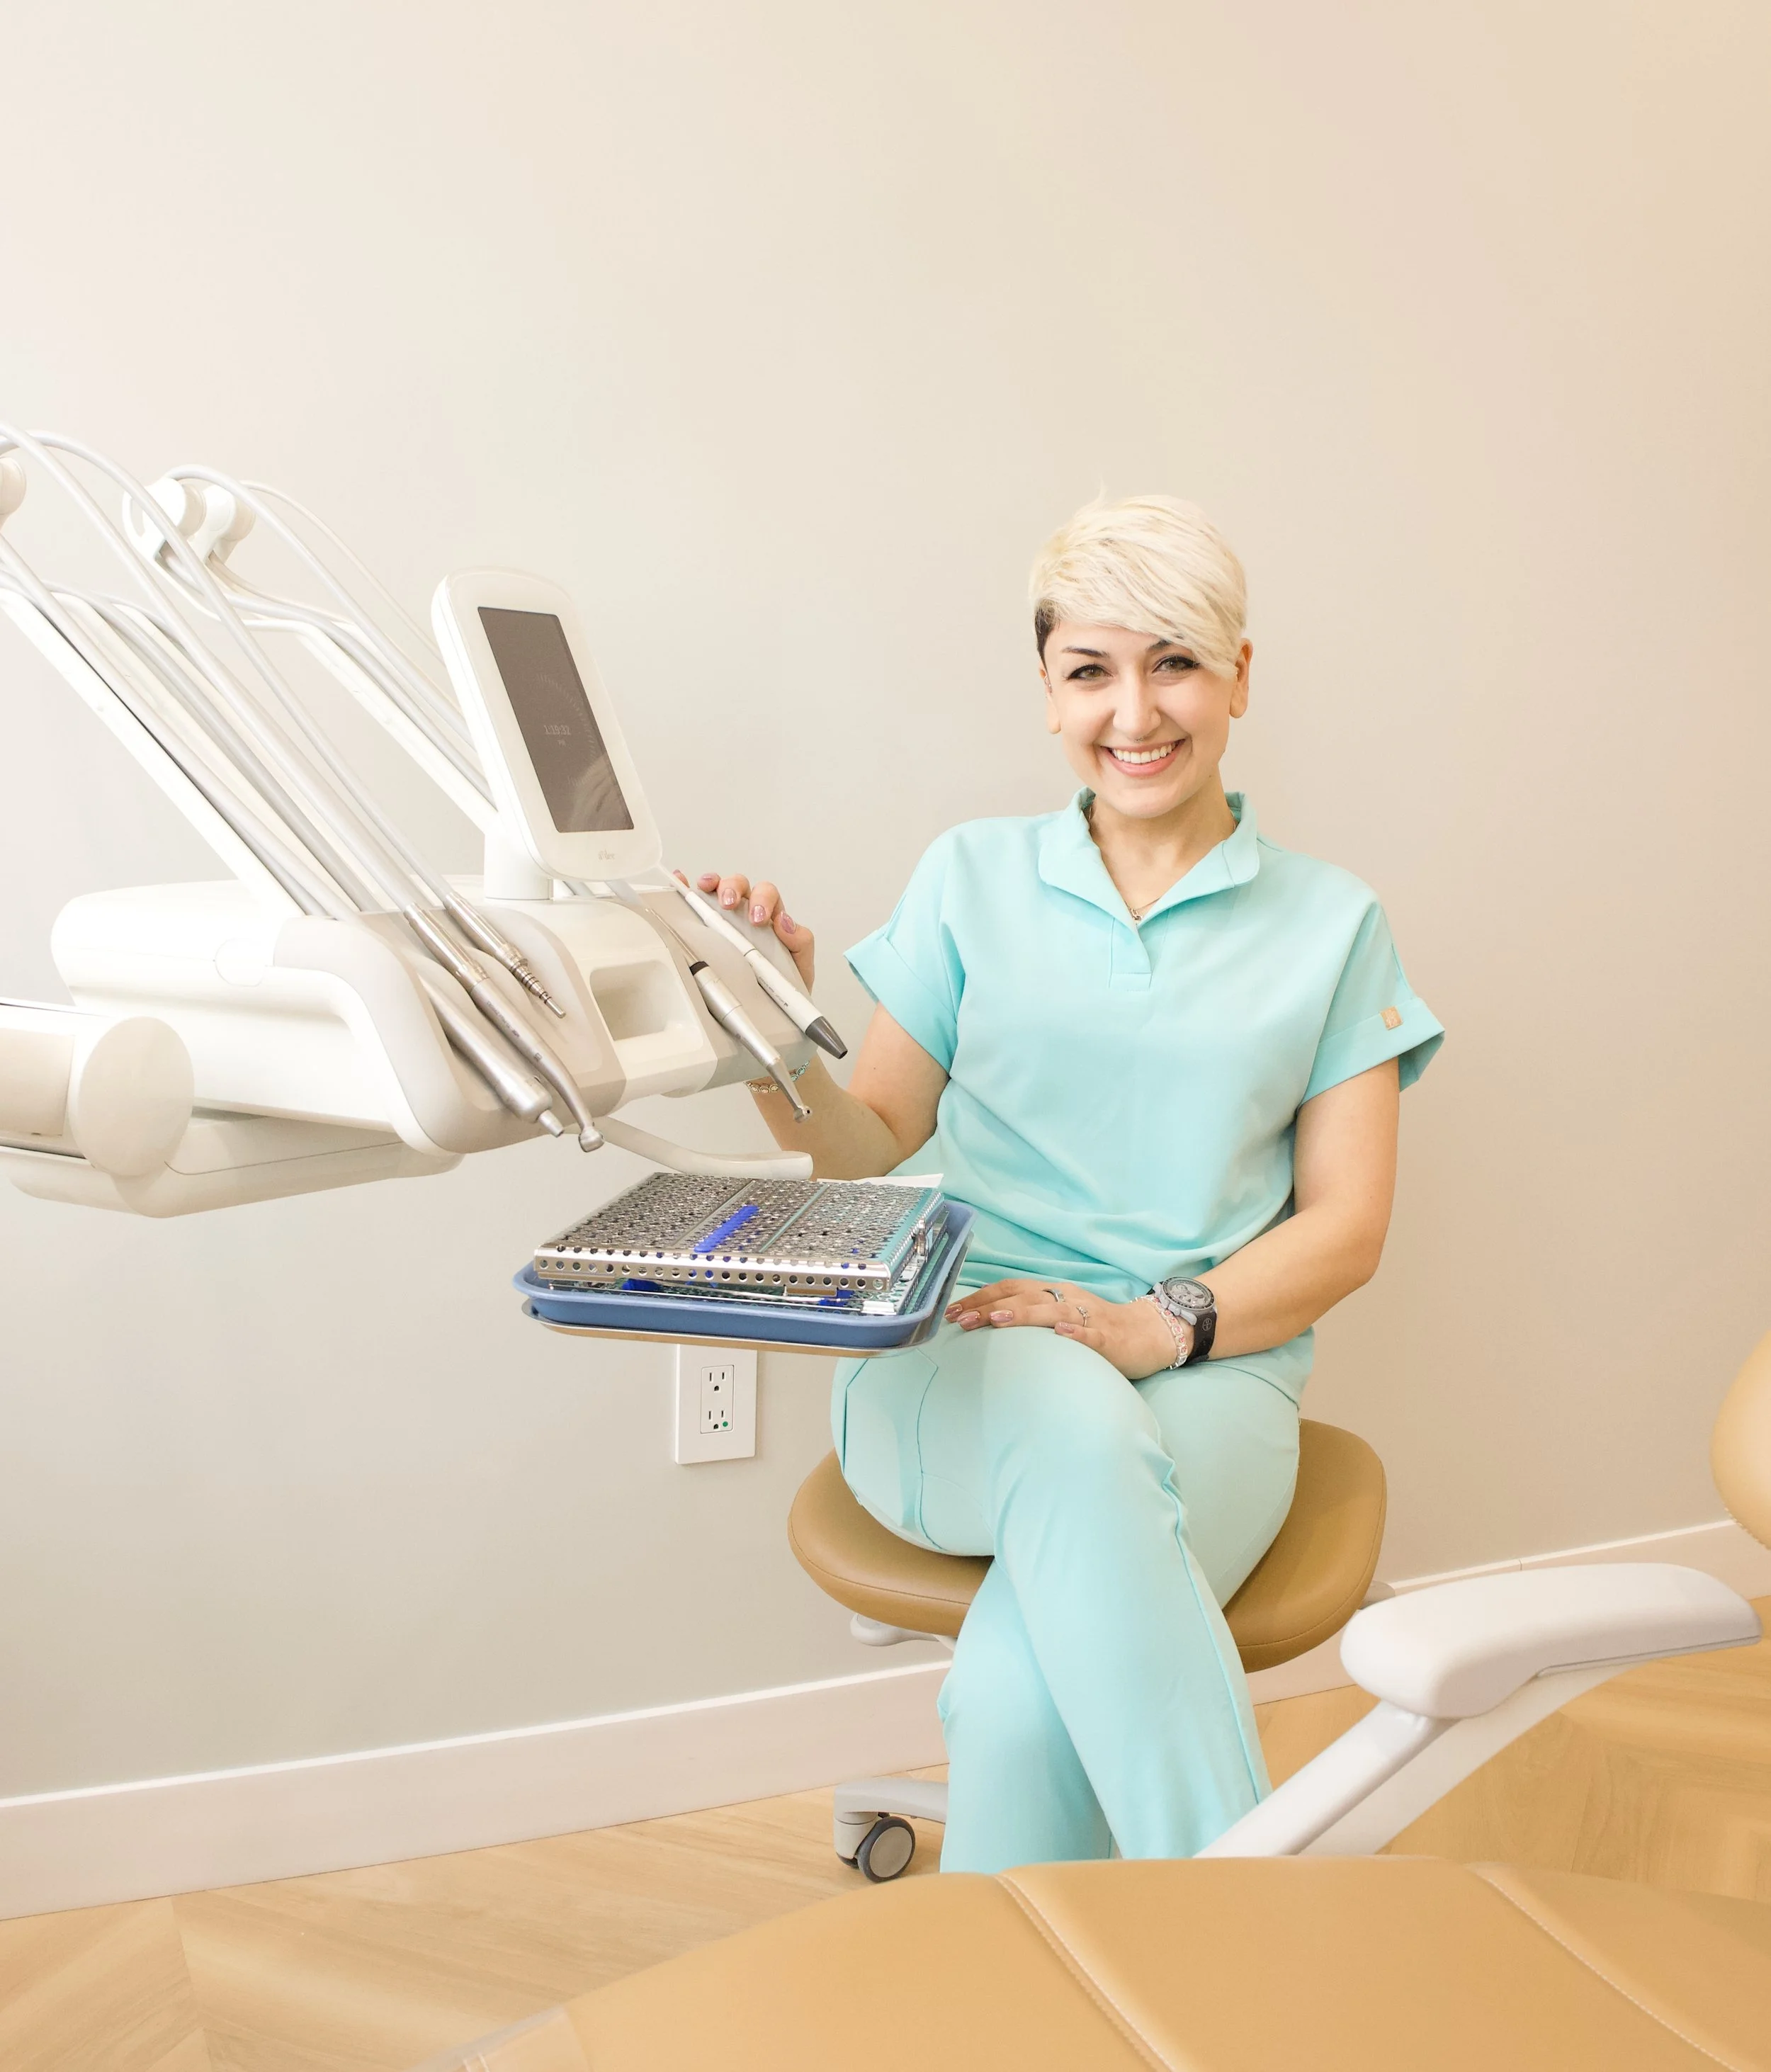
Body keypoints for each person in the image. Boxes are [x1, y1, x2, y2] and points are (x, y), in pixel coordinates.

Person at [698, 494, 1442, 1872]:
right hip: (958, 1354)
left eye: (1174, 662)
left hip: (1212, 1369)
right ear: (1047, 693)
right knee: (1066, 1411)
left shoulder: (1332, 923)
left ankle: (1041, 1975)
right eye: (1090, 670)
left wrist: (1156, 1326)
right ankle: (1249, 1941)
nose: (1133, 712)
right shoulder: (968, 877)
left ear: (1236, 676)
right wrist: (768, 1035)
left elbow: (1345, 1228)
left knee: (1015, 1699)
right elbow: (863, 1139)